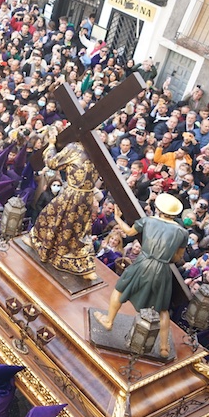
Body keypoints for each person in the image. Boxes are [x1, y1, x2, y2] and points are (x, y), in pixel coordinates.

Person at [94, 193, 189, 357]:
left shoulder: (147, 221)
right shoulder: (183, 233)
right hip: (163, 269)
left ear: (158, 209)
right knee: (162, 309)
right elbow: (177, 258)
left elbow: (129, 232)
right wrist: (164, 256)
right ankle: (164, 347)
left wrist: (117, 218)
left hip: (143, 263)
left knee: (119, 289)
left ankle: (109, 321)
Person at [31, 132, 100, 280]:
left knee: (54, 219)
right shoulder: (98, 151)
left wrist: (51, 145)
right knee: (77, 230)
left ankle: (43, 246)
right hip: (87, 197)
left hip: (72, 195)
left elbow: (52, 163)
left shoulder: (75, 148)